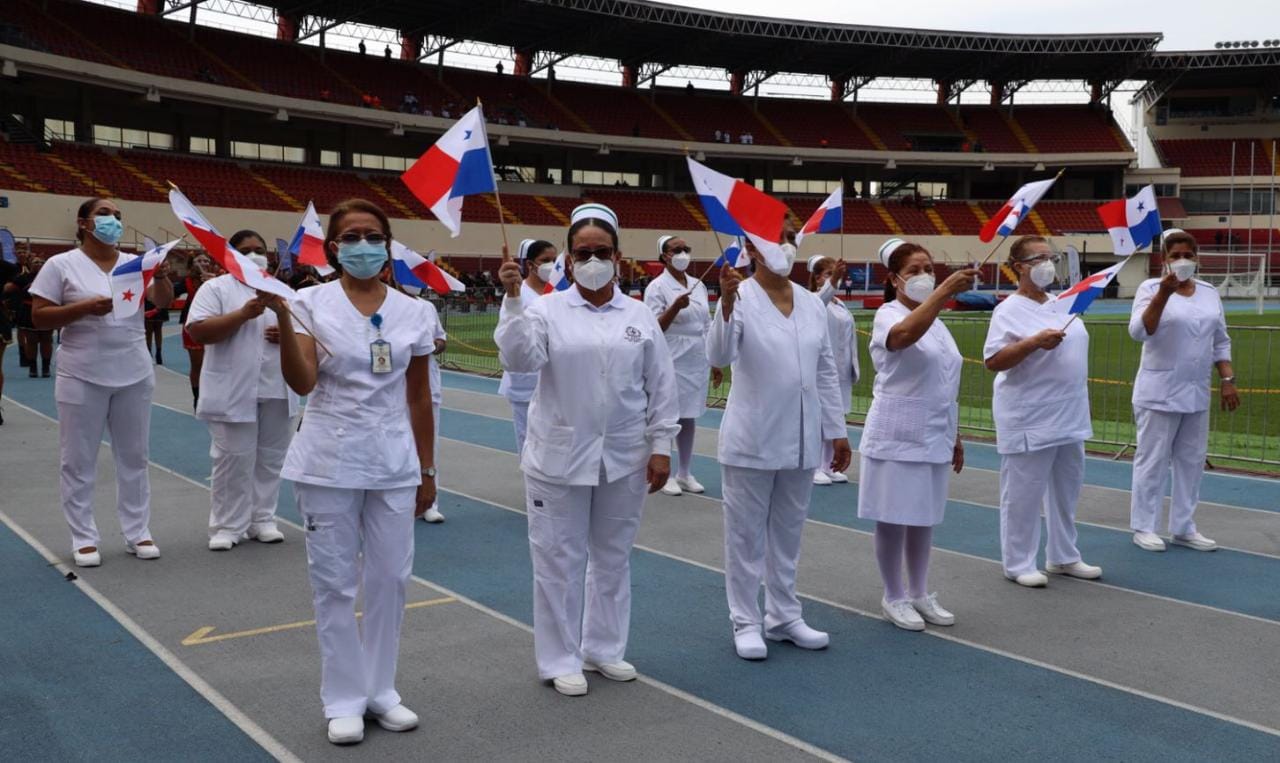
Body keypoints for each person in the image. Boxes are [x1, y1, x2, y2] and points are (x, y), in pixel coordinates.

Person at [494, 203, 679, 697]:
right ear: (568, 260)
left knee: (613, 557)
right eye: (582, 253)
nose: (592, 259)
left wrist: (661, 446)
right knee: (558, 559)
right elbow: (519, 359)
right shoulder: (545, 309)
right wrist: (513, 299)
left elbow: (660, 386)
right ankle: (559, 658)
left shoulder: (638, 314)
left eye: (601, 252)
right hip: (558, 457)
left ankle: (603, 648)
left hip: (623, 456)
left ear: (618, 257)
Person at [272, 199, 435, 744]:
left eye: (372, 235)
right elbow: (302, 382)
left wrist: (428, 468)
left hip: (393, 460)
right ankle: (342, 697)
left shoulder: (415, 311)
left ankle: (381, 690)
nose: (362, 245)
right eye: (351, 237)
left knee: (390, 579)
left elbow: (419, 397)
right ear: (334, 246)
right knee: (335, 583)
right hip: (328, 459)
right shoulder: (307, 302)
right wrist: (278, 314)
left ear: (386, 244)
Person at [707, 230, 852, 661]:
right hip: (753, 435)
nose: (784, 249)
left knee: (788, 532)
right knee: (746, 535)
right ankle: (746, 620)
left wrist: (836, 428)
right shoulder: (741, 295)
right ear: (750, 250)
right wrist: (727, 305)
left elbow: (825, 368)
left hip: (803, 437)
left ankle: (784, 615)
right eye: (771, 242)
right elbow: (717, 356)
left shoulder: (810, 301)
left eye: (789, 240)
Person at [30, 198, 173, 567]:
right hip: (82, 372)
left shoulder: (134, 264)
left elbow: (163, 302)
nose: (113, 221)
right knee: (77, 459)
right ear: (83, 223)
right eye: (104, 215)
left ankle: (138, 531)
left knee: (134, 456)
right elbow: (40, 317)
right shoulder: (60, 265)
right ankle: (83, 536)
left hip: (133, 371)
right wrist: (83, 309)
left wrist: (159, 274)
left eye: (118, 216)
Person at [859, 238, 976, 631]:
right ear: (894, 279)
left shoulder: (939, 324)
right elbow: (903, 337)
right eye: (914, 270)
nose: (925, 276)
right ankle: (894, 595)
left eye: (930, 269)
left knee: (923, 517)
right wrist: (942, 294)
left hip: (934, 433)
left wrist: (954, 434)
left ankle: (920, 592)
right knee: (893, 516)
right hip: (898, 432)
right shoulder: (887, 314)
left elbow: (943, 381)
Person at [982, 236, 1101, 587]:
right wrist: (1033, 343)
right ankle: (1018, 562)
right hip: (1029, 415)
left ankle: (1064, 556)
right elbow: (993, 360)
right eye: (1038, 259)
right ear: (1019, 266)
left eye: (1051, 258)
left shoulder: (1063, 303)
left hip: (1070, 412)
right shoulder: (1008, 309)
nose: (1047, 264)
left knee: (1066, 490)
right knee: (1023, 492)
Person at [186, 230, 299, 552]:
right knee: (232, 459)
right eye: (246, 250)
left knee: (271, 458)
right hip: (233, 388)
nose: (255, 255)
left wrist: (287, 330)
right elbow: (198, 331)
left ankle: (262, 518)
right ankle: (227, 525)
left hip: (278, 386)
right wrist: (242, 315)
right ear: (231, 255)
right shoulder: (215, 289)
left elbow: (307, 335)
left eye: (259, 249)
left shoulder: (284, 292)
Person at [1128, 229, 1238, 552]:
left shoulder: (1208, 293)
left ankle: (1184, 526)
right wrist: (1164, 293)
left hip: (1196, 390)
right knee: (1153, 459)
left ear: (1196, 257)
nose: (1182, 261)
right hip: (1158, 390)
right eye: (1174, 255)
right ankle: (1144, 526)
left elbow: (1221, 340)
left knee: (1191, 460)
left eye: (1187, 255)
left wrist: (1227, 380)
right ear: (1164, 259)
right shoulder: (1150, 288)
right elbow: (1139, 331)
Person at [645, 235, 715, 496]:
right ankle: (664, 466)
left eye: (686, 248)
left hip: (696, 356)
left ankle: (684, 472)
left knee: (689, 414)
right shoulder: (657, 287)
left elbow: (706, 323)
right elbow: (653, 327)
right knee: (669, 414)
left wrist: (713, 359)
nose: (683, 253)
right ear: (664, 255)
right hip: (671, 354)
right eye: (677, 250)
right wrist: (674, 307)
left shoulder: (698, 285)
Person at [498, 239, 557, 452]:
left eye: (554, 260)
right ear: (531, 265)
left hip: (555, 382)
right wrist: (512, 295)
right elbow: (510, 339)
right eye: (545, 261)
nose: (550, 265)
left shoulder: (556, 294)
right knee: (529, 445)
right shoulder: (517, 295)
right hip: (526, 385)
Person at [806, 255, 859, 485]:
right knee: (819, 418)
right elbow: (820, 302)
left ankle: (828, 466)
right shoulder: (813, 300)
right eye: (828, 274)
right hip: (821, 369)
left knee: (836, 415)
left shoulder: (840, 303)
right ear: (818, 278)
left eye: (834, 274)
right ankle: (814, 466)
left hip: (842, 368)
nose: (833, 279)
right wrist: (834, 281)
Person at [181, 252, 223, 409]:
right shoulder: (187, 282)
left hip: (216, 324)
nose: (203, 262)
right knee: (198, 364)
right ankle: (197, 397)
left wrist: (215, 283)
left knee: (215, 362)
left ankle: (213, 395)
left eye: (206, 260)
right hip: (194, 326)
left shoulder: (220, 280)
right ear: (192, 264)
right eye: (199, 260)